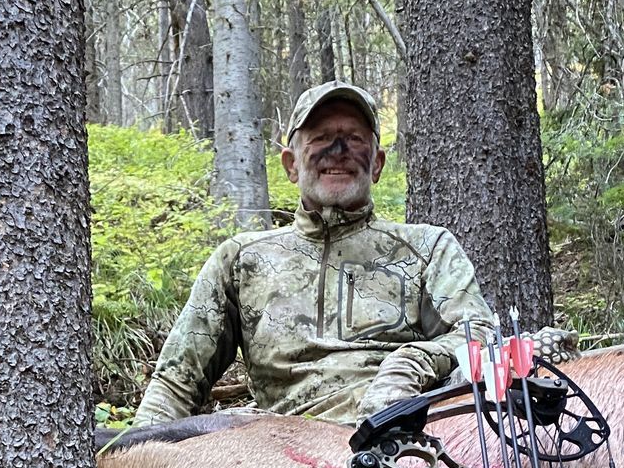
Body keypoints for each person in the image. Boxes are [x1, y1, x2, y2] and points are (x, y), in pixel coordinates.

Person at [132, 81, 495, 428]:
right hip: (278, 457)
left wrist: (412, 362)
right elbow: (175, 384)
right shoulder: (242, 260)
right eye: (321, 139)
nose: (338, 153)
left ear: (378, 163)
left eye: (354, 139)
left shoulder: (429, 248)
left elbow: (479, 338)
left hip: (402, 438)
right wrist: (135, 460)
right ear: (290, 164)